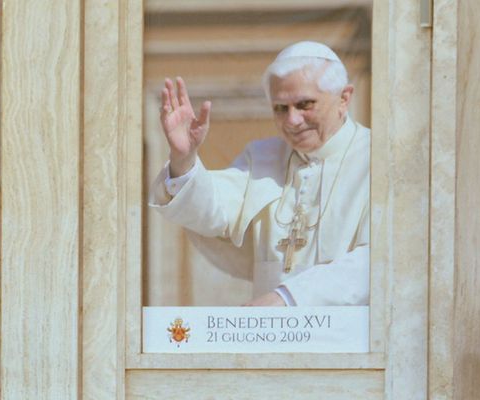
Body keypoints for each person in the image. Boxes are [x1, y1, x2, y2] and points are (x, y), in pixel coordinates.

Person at [149, 41, 371, 306]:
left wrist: (289, 298)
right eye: (280, 108)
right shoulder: (261, 157)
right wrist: (183, 158)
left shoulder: (380, 159)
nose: (292, 120)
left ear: (344, 98)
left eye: (305, 104)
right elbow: (212, 209)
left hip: (349, 339)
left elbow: (382, 259)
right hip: (270, 336)